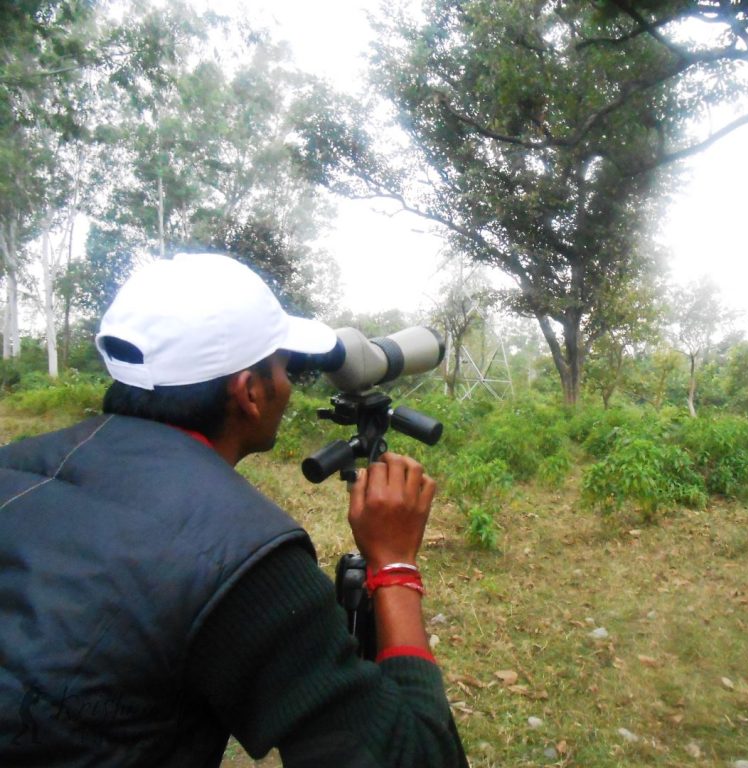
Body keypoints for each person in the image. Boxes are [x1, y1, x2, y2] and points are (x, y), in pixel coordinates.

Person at [0, 253, 462, 767]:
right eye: (285, 367)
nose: (289, 384)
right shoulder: (246, 561)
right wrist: (394, 565)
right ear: (250, 393)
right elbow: (412, 757)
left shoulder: (14, 467)